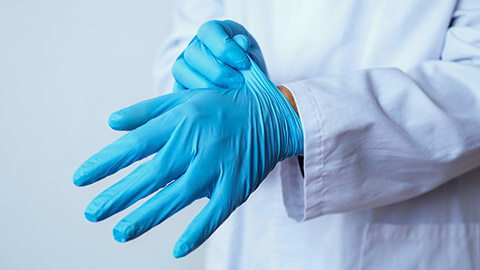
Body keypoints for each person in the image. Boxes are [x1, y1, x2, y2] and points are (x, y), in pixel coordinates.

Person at [74, 0, 480, 269]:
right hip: (250, 237)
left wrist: (298, 115)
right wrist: (198, 79)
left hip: (404, 246)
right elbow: (183, 40)